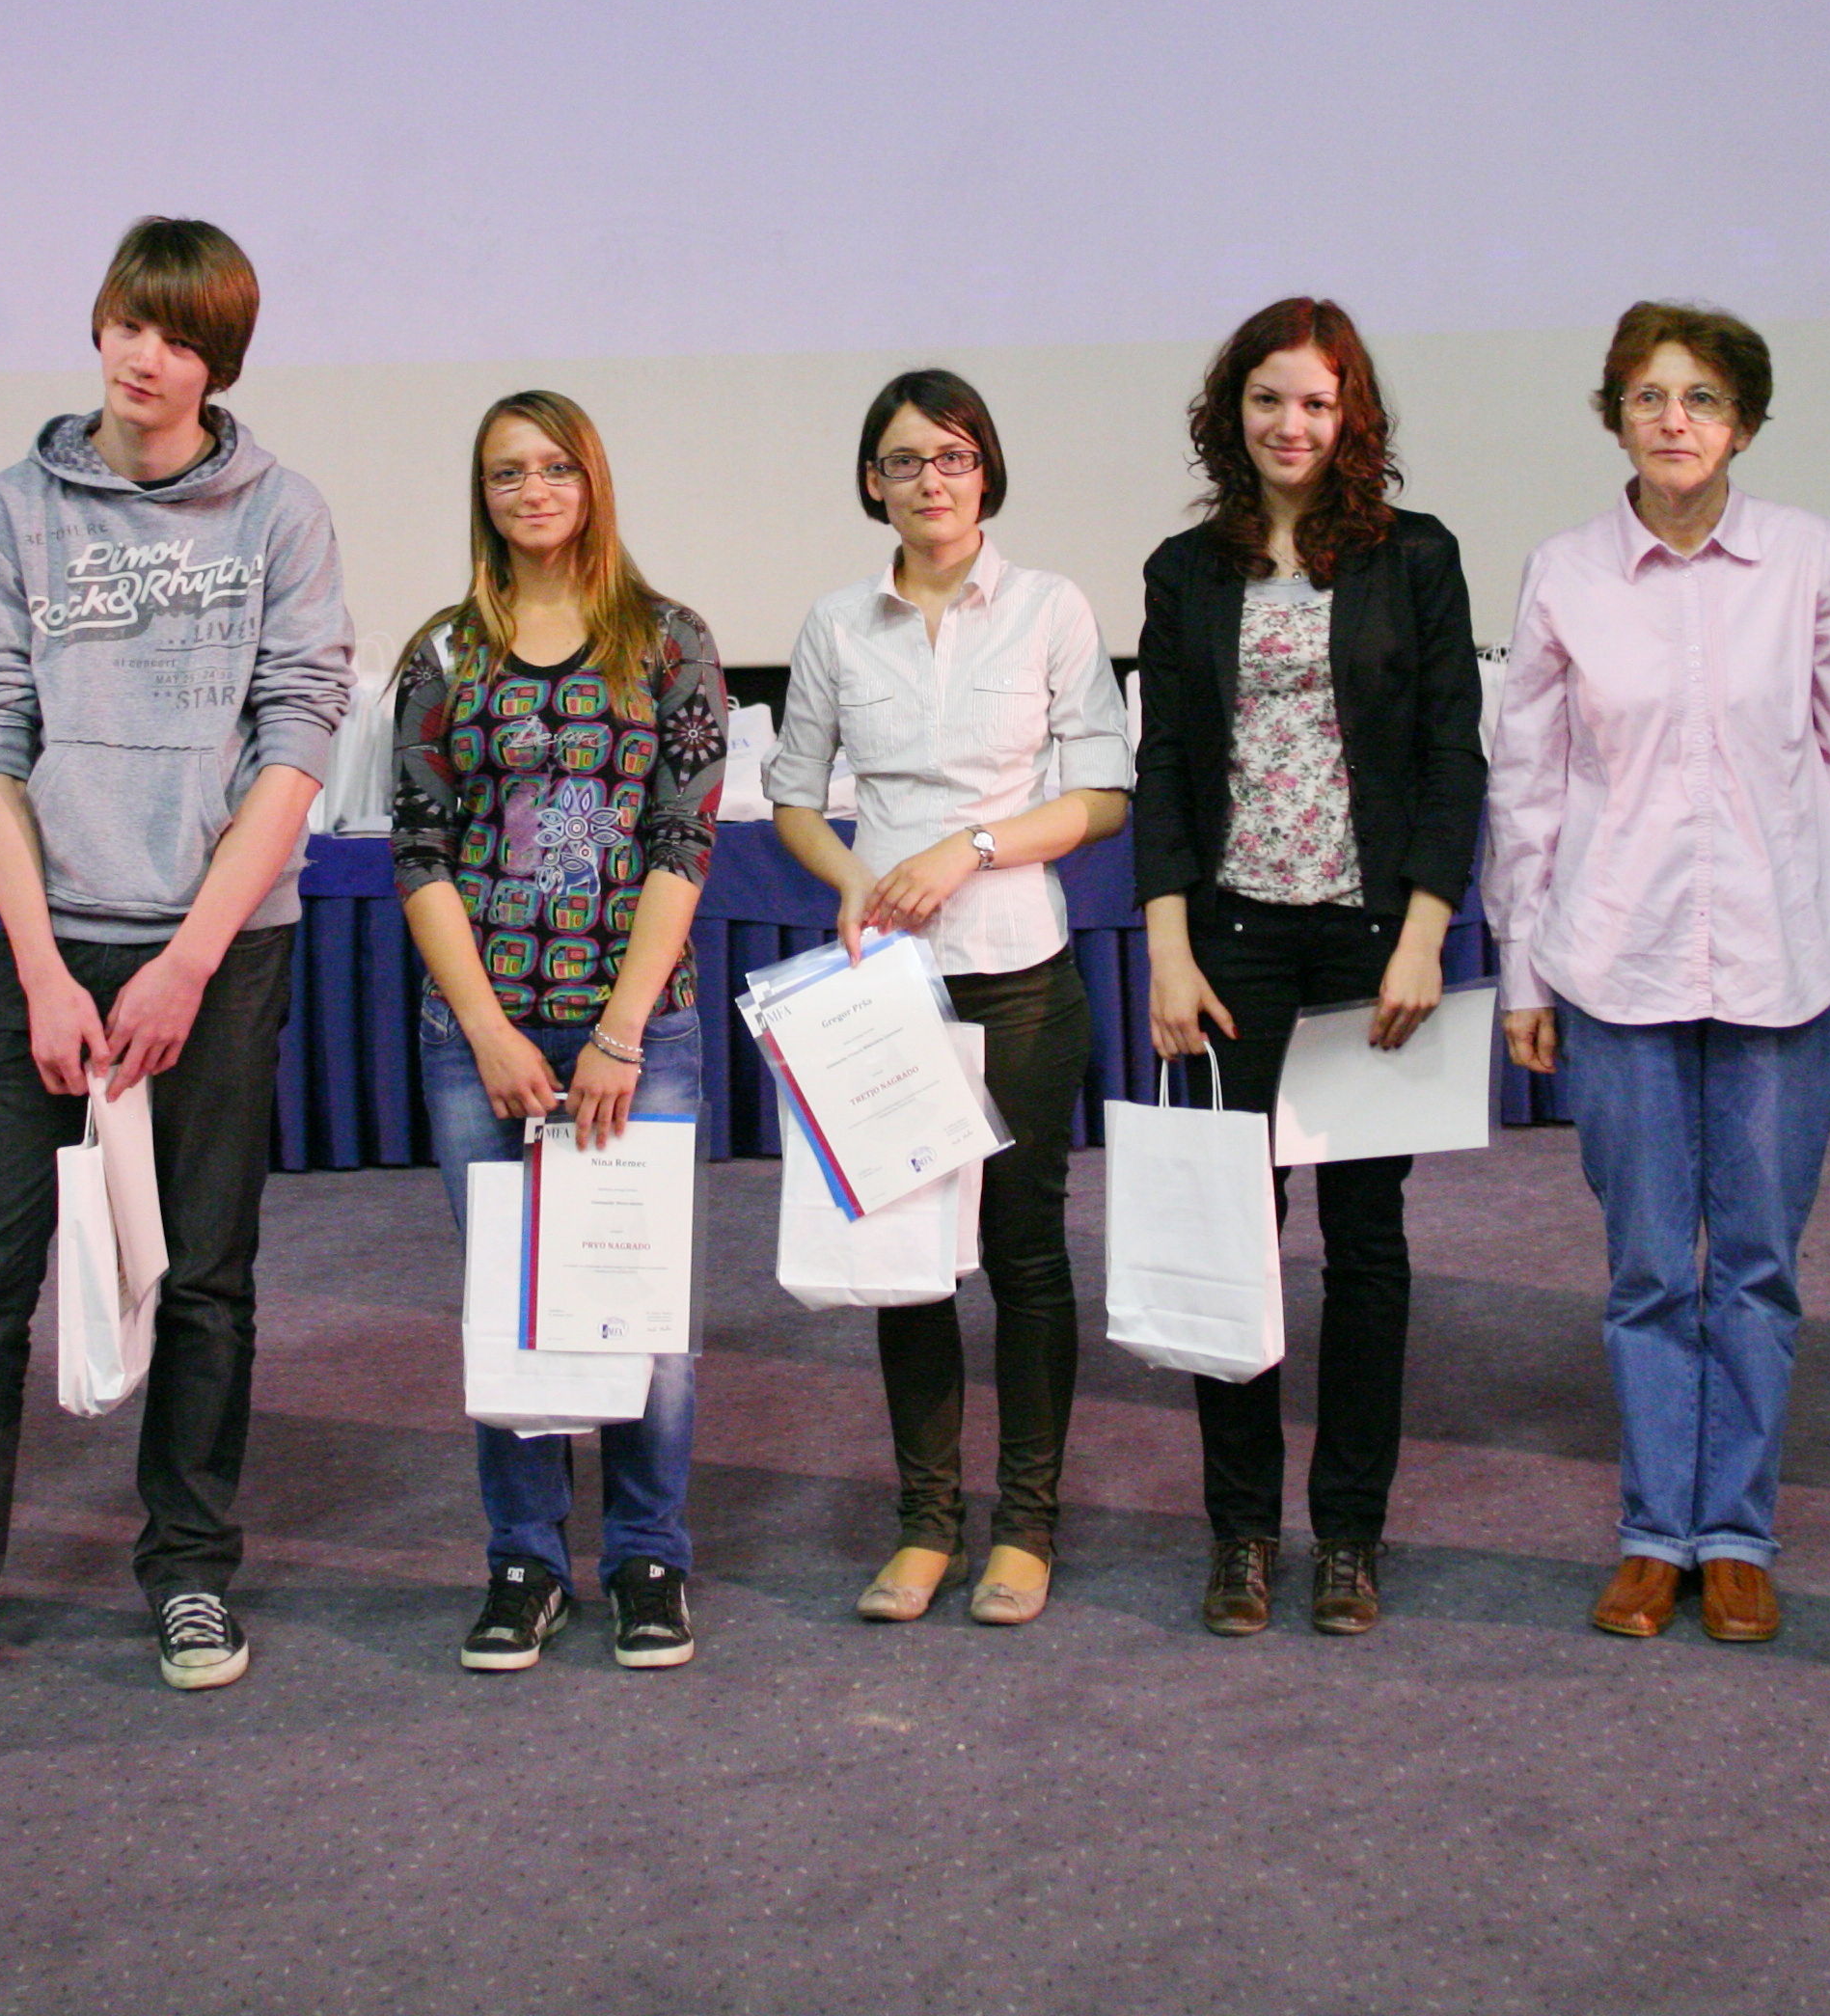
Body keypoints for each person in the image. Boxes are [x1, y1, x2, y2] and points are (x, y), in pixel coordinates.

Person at [0, 217, 353, 1738]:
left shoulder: (281, 514)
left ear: (219, 361)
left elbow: (297, 739)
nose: (144, 356)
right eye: (127, 323)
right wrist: (41, 967)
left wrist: (187, 961)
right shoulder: (14, 510)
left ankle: (189, 1568)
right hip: (46, 950)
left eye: (179, 337)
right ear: (99, 326)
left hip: (219, 953)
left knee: (206, 1282)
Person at [1484, 302, 1830, 1649]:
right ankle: (1652, 1532)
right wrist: (1521, 972)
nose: (1676, 421)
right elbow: (1527, 785)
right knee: (1650, 1269)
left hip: (1790, 956)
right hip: (1614, 960)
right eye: (1650, 397)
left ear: (1746, 424)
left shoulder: (1810, 559)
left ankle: (1736, 1534)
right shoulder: (1565, 573)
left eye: (1704, 399)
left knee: (1760, 1267)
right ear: (1615, 415)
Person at [1133, 298, 1485, 1639]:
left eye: (1318, 404)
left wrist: (1425, 932)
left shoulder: (1416, 556)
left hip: (1370, 946)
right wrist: (1168, 948)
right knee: (1233, 1241)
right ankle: (1240, 1534)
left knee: (1367, 1247)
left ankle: (1348, 1536)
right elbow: (1167, 765)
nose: (1293, 425)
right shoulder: (1185, 571)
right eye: (1269, 399)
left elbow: (1453, 752)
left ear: (1353, 419)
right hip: (1232, 947)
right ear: (1233, 412)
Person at [767, 369, 1132, 1628]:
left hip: (1019, 971)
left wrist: (968, 850)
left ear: (988, 472)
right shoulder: (835, 623)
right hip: (889, 990)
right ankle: (927, 1523)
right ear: (872, 482)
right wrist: (855, 882)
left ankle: (1026, 1526)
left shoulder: (1049, 607)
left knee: (1025, 1255)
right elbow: (794, 797)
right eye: (906, 461)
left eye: (955, 457)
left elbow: (1102, 796)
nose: (933, 480)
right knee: (908, 1264)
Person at [388, 392, 732, 1672]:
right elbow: (419, 854)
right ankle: (525, 1561)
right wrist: (487, 1031)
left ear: (592, 481)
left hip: (638, 1033)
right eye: (506, 474)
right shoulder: (442, 654)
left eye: (554, 469)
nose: (532, 493)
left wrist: (621, 1033)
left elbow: (682, 843)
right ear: (482, 496)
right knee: (512, 1305)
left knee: (640, 1306)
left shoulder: (672, 641)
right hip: (482, 1036)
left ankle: (648, 1556)